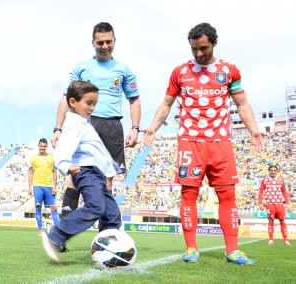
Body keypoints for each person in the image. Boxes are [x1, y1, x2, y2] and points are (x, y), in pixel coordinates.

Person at [142, 22, 265, 266]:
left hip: (221, 142)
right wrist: (153, 128)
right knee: (189, 195)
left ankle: (233, 251)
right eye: (194, 49)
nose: (199, 53)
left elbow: (241, 103)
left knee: (227, 195)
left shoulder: (229, 71)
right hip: (190, 142)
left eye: (203, 48)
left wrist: (254, 131)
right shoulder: (180, 72)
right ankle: (191, 248)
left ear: (214, 43)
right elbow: (166, 104)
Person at [51, 22, 141, 218]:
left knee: (108, 179)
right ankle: (64, 231)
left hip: (111, 126)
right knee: (75, 177)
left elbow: (134, 99)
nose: (105, 46)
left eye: (109, 41)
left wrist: (135, 128)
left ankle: (106, 233)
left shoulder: (124, 69)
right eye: (100, 42)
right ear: (93, 42)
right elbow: (66, 97)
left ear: (115, 41)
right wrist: (57, 129)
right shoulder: (82, 68)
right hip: (84, 125)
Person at [42, 80, 122, 262]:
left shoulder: (85, 123)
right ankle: (56, 236)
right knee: (96, 206)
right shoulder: (75, 122)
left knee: (111, 214)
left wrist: (111, 167)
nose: (92, 108)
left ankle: (109, 247)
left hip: (97, 173)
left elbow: (95, 150)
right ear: (72, 102)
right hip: (86, 172)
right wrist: (64, 164)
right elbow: (64, 145)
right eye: (88, 103)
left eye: (94, 104)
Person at [28, 138, 60, 236]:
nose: (42, 148)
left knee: (53, 208)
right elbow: (30, 174)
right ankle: (40, 230)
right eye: (41, 146)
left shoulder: (51, 158)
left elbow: (55, 173)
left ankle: (59, 230)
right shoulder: (33, 159)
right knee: (38, 207)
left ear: (47, 147)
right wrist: (29, 187)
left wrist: (54, 186)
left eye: (44, 146)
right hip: (37, 185)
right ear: (38, 146)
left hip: (49, 186)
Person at [258, 165, 292, 246]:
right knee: (270, 221)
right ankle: (271, 239)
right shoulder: (264, 180)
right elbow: (260, 192)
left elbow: (284, 192)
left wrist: (287, 203)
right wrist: (260, 203)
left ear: (277, 171)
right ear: (269, 171)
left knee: (282, 221)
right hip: (270, 204)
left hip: (280, 204)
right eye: (271, 170)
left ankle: (285, 240)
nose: (273, 172)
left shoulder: (281, 180)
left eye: (274, 170)